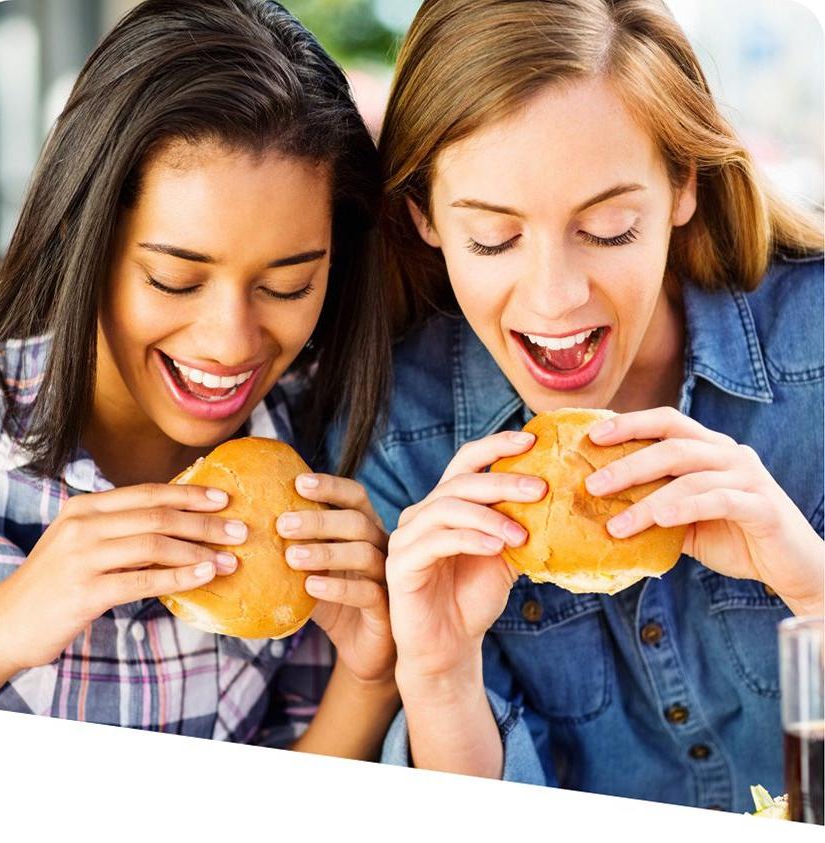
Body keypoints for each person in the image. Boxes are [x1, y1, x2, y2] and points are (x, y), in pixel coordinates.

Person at [337, 0, 824, 809]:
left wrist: (813, 592)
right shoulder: (399, 440)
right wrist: (439, 674)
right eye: (493, 238)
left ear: (681, 187)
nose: (556, 298)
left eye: (609, 227)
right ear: (423, 216)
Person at [0, 0, 399, 757]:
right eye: (174, 279)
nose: (231, 342)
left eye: (288, 286)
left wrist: (368, 680)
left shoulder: (319, 460)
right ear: (85, 238)